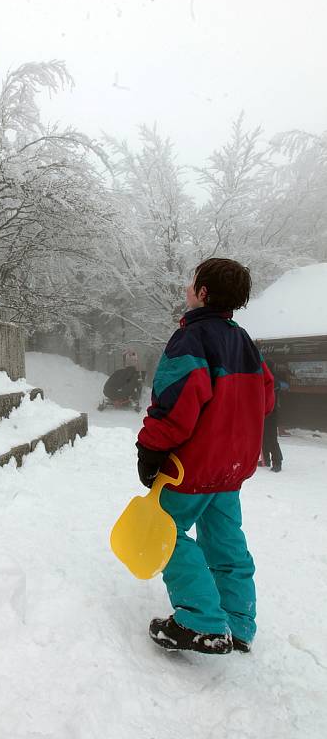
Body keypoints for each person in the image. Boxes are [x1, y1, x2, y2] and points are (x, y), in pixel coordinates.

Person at [136, 258, 275, 654]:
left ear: (203, 293)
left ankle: (201, 621)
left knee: (165, 530)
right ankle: (238, 621)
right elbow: (264, 398)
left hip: (192, 469)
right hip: (231, 470)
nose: (187, 287)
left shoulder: (191, 340)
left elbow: (175, 406)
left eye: (191, 282)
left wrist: (150, 449)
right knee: (226, 540)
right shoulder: (245, 342)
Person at [261, 360, 285, 472]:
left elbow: (269, 397)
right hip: (264, 412)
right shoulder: (266, 379)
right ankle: (265, 459)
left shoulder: (273, 380)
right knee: (264, 437)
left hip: (272, 413)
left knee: (271, 438)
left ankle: (277, 461)